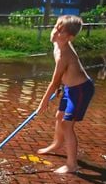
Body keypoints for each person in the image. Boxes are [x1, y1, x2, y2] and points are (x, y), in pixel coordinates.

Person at [36, 15, 95, 174]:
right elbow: (61, 77)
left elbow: (54, 81)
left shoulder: (65, 55)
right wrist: (62, 85)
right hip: (69, 87)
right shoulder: (57, 44)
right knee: (59, 117)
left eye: (60, 31)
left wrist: (43, 102)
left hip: (81, 90)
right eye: (55, 27)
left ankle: (71, 165)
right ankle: (56, 144)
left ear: (70, 37)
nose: (54, 33)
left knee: (67, 125)